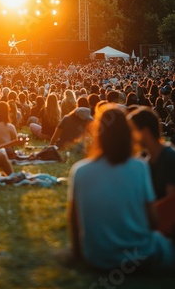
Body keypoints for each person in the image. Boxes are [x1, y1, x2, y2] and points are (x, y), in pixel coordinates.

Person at [67, 105, 175, 271]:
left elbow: (74, 222)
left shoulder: (80, 171)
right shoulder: (139, 167)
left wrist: (78, 255)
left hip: (97, 257)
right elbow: (152, 221)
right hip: (139, 255)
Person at [128, 107, 175, 199]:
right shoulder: (142, 159)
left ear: (145, 132)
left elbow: (170, 204)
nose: (131, 136)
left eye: (133, 131)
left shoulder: (170, 159)